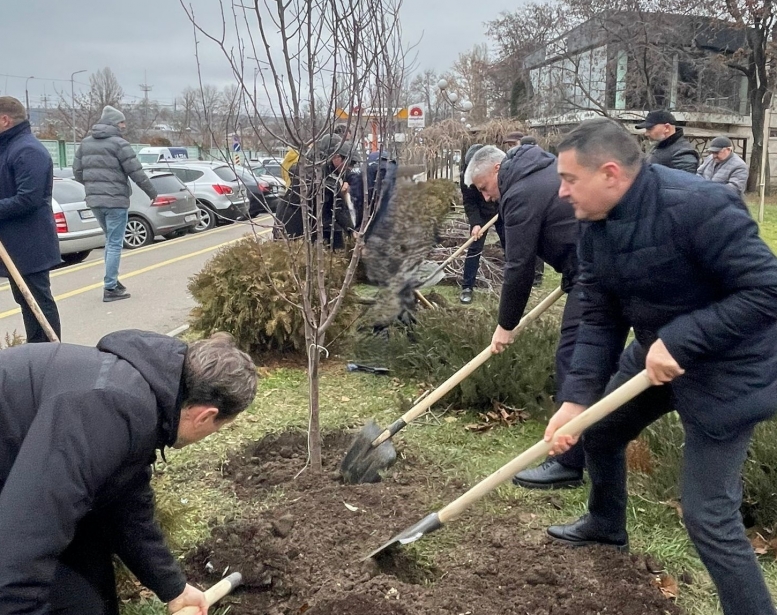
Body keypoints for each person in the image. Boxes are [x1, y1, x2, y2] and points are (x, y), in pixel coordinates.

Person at [544, 117, 777, 615]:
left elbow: (766, 290)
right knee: (599, 430)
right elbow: (599, 313)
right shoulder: (594, 224)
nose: (562, 192)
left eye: (568, 179)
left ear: (609, 173)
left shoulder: (698, 205)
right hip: (655, 357)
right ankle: (606, 527)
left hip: (729, 370)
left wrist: (684, 339)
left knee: (708, 516)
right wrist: (576, 398)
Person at [0, 329, 258, 615]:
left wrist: (173, 587)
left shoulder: (144, 400)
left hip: (16, 475)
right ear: (205, 416)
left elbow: (125, 504)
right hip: (14, 499)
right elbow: (21, 548)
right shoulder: (107, 408)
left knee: (90, 588)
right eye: (218, 427)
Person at [464, 144, 585, 488]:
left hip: (595, 276)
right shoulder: (540, 171)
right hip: (588, 266)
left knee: (573, 360)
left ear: (497, 170)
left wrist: (506, 325)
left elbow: (518, 267)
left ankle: (569, 462)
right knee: (587, 361)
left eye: (485, 188)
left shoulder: (520, 193)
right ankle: (590, 448)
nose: (486, 198)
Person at [73, 105, 158, 302]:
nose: (124, 125)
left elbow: (77, 171)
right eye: (121, 122)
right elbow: (136, 172)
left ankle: (113, 281)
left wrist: (93, 186)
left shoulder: (85, 143)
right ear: (113, 123)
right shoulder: (120, 144)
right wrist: (152, 192)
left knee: (109, 240)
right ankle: (110, 287)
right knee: (114, 243)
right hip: (116, 201)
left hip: (94, 201)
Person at [0, 96, 61, 343]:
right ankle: (37, 353)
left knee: (36, 302)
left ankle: (48, 354)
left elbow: (29, 199)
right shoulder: (9, 148)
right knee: (26, 300)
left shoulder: (27, 150)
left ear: (4, 120)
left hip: (29, 243)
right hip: (13, 243)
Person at [275, 135, 356, 249]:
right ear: (335, 156)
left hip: (306, 224)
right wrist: (351, 230)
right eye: (350, 163)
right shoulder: (311, 171)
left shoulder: (326, 171)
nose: (350, 167)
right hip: (293, 225)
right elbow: (335, 207)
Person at [458, 144, 503, 304]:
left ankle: (511, 285)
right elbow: (469, 201)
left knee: (510, 245)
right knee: (474, 248)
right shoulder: (466, 177)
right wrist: (476, 223)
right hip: (481, 213)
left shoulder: (500, 172)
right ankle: (467, 287)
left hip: (501, 207)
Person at [635, 109, 700, 173]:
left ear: (667, 128)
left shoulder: (682, 152)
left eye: (650, 128)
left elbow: (685, 181)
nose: (646, 134)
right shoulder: (662, 145)